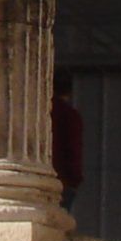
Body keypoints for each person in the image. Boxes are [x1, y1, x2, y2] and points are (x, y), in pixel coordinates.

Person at [51, 68, 85, 218]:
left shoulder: (42, 112)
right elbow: (73, 148)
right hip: (62, 178)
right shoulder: (70, 115)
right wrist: (74, 178)